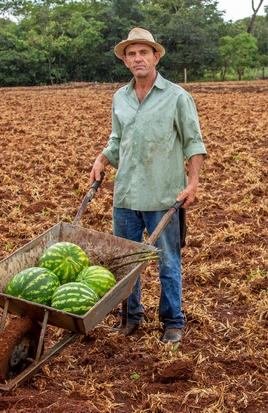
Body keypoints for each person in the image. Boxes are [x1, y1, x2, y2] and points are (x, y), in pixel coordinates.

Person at [90, 28, 206, 343]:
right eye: (132, 54)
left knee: (168, 261)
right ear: (126, 61)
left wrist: (192, 182)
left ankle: (172, 322)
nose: (138, 58)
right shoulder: (120, 98)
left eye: (144, 52)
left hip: (164, 196)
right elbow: (117, 141)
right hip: (126, 194)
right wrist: (101, 159)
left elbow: (194, 144)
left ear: (155, 57)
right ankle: (130, 316)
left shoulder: (177, 96)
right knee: (125, 262)